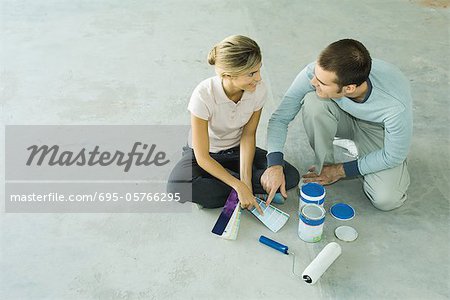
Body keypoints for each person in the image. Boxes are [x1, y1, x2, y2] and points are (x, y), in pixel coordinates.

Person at [261, 38, 412, 211]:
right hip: (342, 116)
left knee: (386, 199)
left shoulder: (395, 106)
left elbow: (394, 155)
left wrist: (341, 170)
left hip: (376, 129)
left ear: (349, 89)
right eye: (316, 76)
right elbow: (280, 118)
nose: (312, 82)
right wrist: (274, 164)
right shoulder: (320, 72)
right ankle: (325, 165)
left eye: (322, 83)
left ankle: (346, 165)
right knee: (313, 102)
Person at [167, 35, 300, 212]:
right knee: (177, 187)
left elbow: (248, 135)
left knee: (290, 175)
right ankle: (243, 190)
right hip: (205, 154)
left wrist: (245, 181)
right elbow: (202, 157)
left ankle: (222, 192)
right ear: (228, 75)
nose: (259, 78)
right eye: (251, 73)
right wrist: (238, 185)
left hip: (237, 150)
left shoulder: (258, 90)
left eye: (259, 69)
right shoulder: (203, 94)